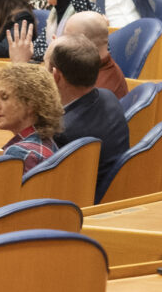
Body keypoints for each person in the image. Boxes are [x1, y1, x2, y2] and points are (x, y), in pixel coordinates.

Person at [49, 36, 130, 197]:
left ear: (56, 76)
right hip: (117, 194)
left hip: (85, 205)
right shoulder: (109, 97)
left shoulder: (62, 131)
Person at [53, 6, 132, 95]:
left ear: (83, 41)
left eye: (66, 36)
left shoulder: (96, 89)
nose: (61, 40)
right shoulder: (86, 70)